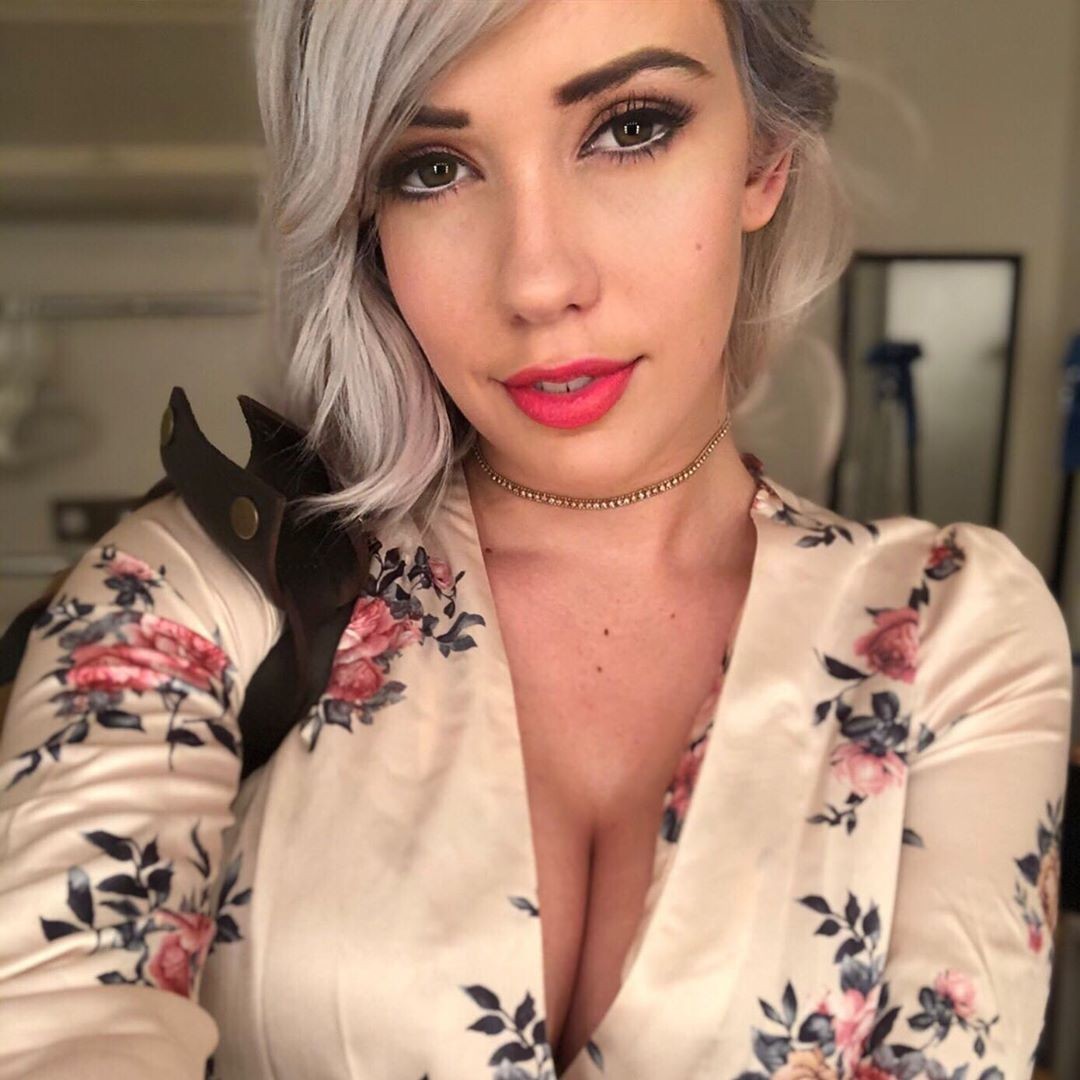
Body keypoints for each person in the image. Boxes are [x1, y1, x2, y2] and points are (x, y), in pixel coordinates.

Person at [0, 2, 1072, 1078]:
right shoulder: (203, 586)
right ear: (366, 219)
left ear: (765, 156)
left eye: (631, 128)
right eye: (431, 169)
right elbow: (58, 1032)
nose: (538, 282)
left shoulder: (951, 633)